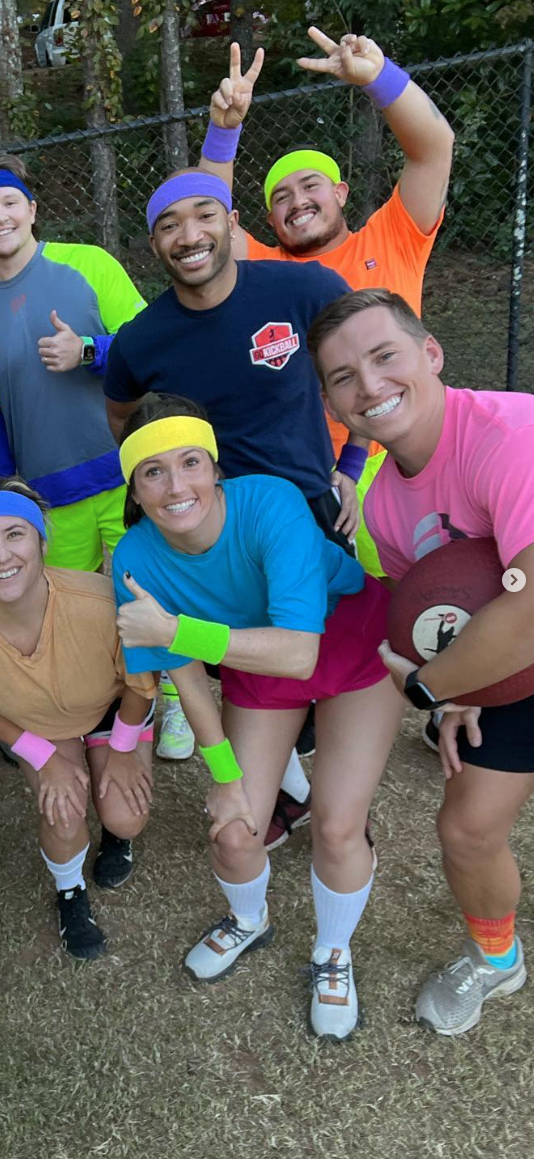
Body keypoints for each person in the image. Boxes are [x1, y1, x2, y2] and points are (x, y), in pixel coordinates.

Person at [112, 393, 402, 1041]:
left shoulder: (269, 500)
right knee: (235, 828)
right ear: (134, 487)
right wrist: (222, 774)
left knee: (337, 825)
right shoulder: (132, 559)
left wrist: (177, 627)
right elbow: (186, 675)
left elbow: (300, 651)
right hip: (252, 659)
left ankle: (332, 952)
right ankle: (250, 919)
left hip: (351, 643)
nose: (176, 484)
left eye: (190, 461)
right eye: (152, 471)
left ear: (216, 466)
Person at [103, 169, 355, 838]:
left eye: (204, 215)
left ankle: (338, 806)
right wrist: (168, 486)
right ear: (153, 244)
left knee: (315, 678)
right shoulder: (140, 341)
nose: (190, 235)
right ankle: (283, 793)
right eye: (169, 225)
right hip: (206, 534)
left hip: (300, 516)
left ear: (231, 221)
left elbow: (361, 366)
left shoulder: (302, 288)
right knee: (244, 676)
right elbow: (124, 418)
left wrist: (353, 465)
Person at [309, 288, 534, 1035]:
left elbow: (528, 607)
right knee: (468, 828)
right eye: (343, 377)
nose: (368, 386)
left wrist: (432, 688)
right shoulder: (379, 507)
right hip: (512, 657)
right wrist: (465, 690)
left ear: (430, 353)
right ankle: (497, 958)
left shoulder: (507, 434)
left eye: (384, 357)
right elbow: (449, 615)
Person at [203, 31, 455, 577]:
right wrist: (223, 134)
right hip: (307, 472)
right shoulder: (264, 273)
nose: (297, 202)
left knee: (438, 597)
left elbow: (434, 148)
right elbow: (207, 224)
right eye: (280, 198)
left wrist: (380, 79)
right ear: (268, 222)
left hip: (412, 450)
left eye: (310, 186)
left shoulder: (392, 236)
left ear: (340, 193)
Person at [0, 477, 155, 959]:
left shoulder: (100, 602)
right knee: (63, 809)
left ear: (42, 541)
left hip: (113, 712)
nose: (1, 556)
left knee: (125, 815)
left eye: (15, 534)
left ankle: (116, 834)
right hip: (40, 728)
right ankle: (70, 891)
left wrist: (122, 751)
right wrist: (41, 756)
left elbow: (139, 684)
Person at [0, 151, 146, 572]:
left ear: (32, 209)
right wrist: (8, 498)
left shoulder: (89, 263)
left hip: (130, 476)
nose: (0, 217)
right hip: (50, 500)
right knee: (71, 616)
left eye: (10, 203)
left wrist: (89, 351)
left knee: (157, 601)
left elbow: (151, 346)